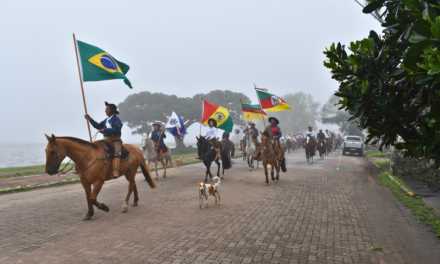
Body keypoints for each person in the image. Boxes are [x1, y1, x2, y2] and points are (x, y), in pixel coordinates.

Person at [85, 101, 123, 179]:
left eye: (107, 109)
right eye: (105, 109)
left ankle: (115, 171)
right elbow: (98, 126)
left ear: (112, 110)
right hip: (106, 140)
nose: (105, 110)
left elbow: (116, 129)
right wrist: (90, 119)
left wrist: (105, 130)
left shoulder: (116, 119)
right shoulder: (106, 120)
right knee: (93, 148)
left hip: (115, 140)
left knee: (116, 153)